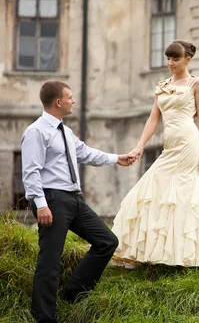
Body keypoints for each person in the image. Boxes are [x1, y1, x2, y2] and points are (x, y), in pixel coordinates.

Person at [21, 81, 134, 323]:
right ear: (58, 102)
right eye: (70, 97)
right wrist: (41, 204)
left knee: (106, 241)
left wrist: (117, 158)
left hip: (73, 199)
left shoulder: (65, 131)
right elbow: (31, 172)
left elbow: (85, 153)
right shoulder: (36, 131)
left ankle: (71, 294)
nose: (73, 101)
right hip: (52, 199)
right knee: (50, 260)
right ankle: (44, 317)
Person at [111, 40, 199, 267]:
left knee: (181, 192)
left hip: (189, 143)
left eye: (175, 59)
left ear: (187, 60)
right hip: (169, 144)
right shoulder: (162, 86)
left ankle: (182, 252)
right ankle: (155, 251)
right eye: (168, 58)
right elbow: (153, 119)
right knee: (150, 189)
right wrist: (139, 145)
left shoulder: (196, 84)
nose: (170, 63)